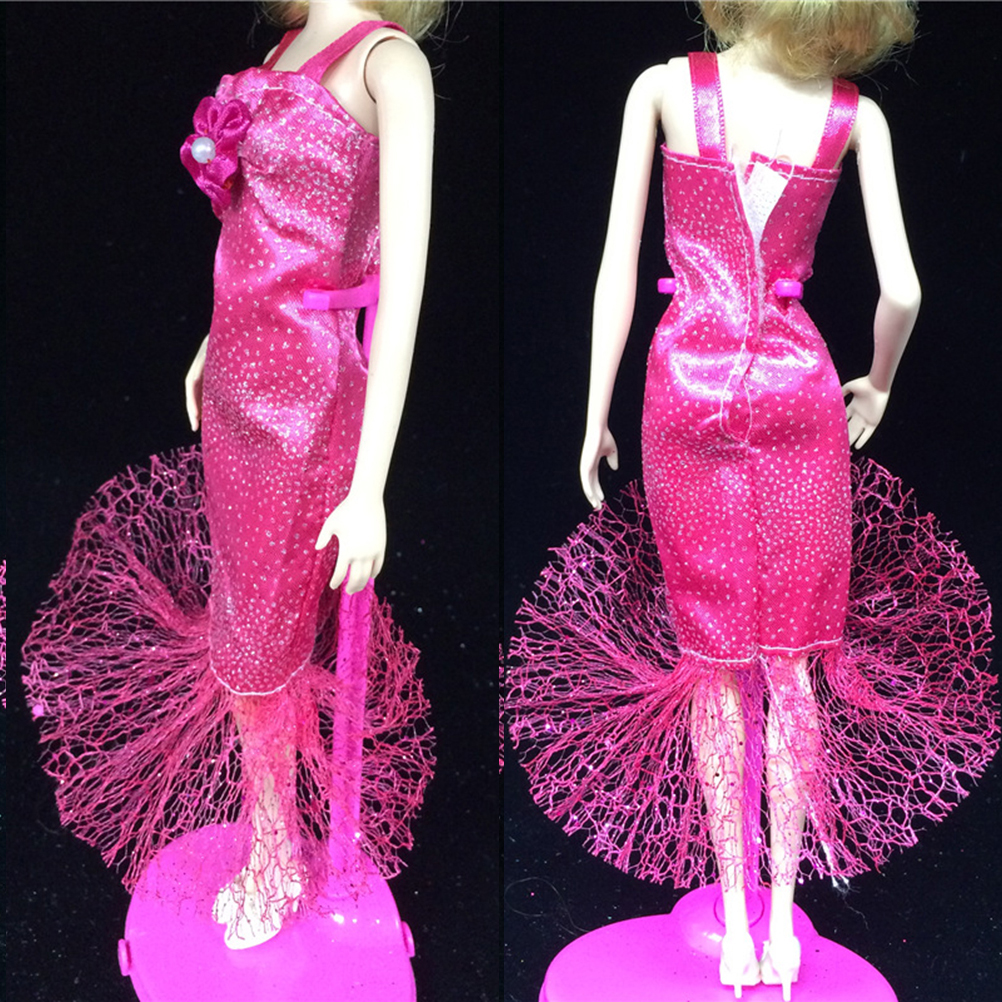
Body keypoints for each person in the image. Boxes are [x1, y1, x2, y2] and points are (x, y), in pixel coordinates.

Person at [508, 3, 997, 998]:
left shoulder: (663, 89)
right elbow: (903, 291)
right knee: (793, 661)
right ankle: (781, 916)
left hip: (683, 385)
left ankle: (733, 917)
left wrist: (594, 415)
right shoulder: (853, 117)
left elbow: (614, 272)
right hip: (797, 388)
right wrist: (879, 384)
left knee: (716, 660)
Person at [24, 0, 441, 951]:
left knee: (261, 636)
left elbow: (406, 286)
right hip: (238, 383)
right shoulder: (288, 48)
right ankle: (271, 832)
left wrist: (370, 484)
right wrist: (215, 337)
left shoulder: (389, 64)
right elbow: (257, 231)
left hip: (308, 396)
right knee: (245, 611)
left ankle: (277, 853)